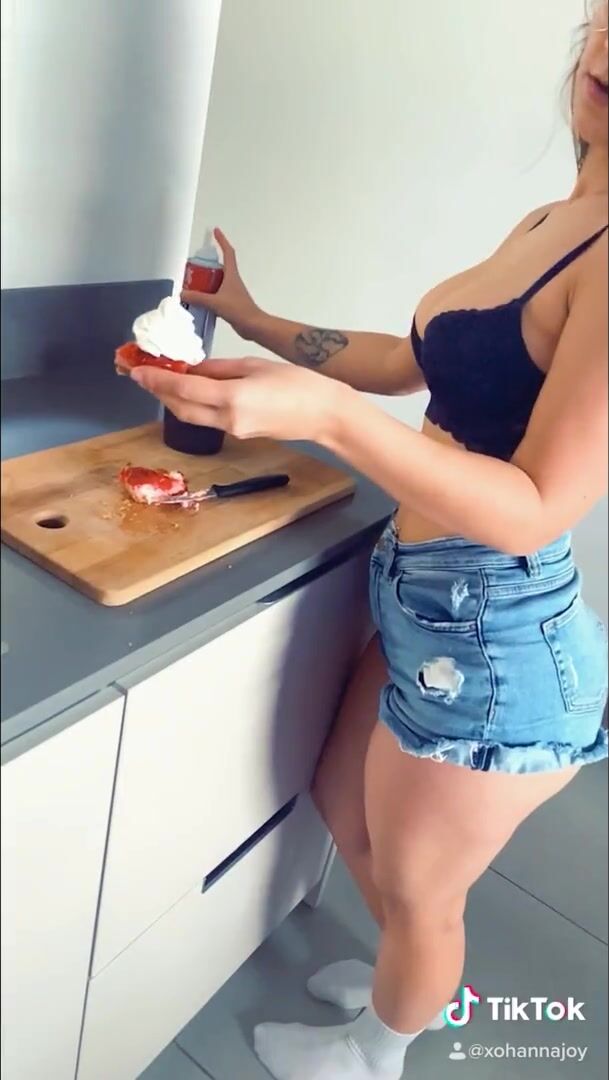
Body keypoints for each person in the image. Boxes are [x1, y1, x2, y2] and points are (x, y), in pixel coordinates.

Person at [130, 4, 608, 1077]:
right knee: (345, 809)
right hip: (427, 594)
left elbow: (538, 503)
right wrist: (257, 321)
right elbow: (411, 360)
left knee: (424, 894)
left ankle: (379, 1046)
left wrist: (329, 418)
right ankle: (411, 979)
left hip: (497, 638)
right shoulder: (559, 216)